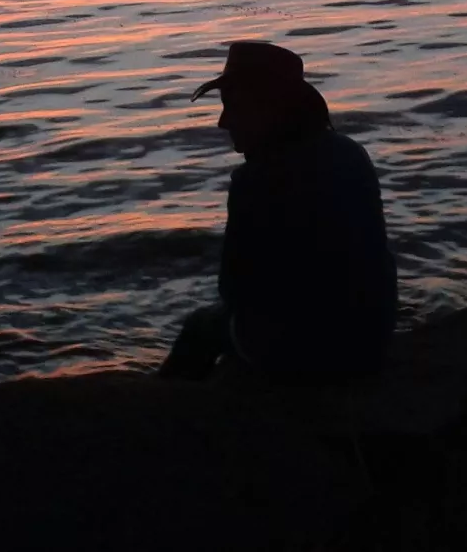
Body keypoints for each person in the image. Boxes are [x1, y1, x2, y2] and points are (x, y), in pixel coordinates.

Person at [158, 41, 397, 384]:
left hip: (311, 355)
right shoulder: (350, 153)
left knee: (201, 326)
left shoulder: (256, 179)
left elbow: (234, 289)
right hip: (373, 339)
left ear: (268, 109)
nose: (223, 122)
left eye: (233, 108)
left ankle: (163, 417)